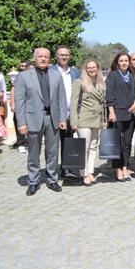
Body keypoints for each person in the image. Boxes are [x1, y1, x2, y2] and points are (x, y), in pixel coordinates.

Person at [15, 48, 67, 195]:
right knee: (33, 152)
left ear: (50, 58)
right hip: (32, 119)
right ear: (35, 58)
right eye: (40, 56)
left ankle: (52, 179)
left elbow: (62, 99)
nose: (43, 59)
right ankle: (33, 181)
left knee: (52, 152)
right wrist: (21, 123)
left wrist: (63, 118)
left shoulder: (56, 75)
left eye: (46, 56)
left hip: (53, 119)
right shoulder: (24, 76)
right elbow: (20, 102)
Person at [70, 60, 106, 187]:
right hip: (84, 119)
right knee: (84, 148)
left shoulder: (100, 82)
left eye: (94, 67)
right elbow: (73, 103)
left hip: (97, 119)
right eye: (89, 68)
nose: (92, 70)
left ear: (98, 68)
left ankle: (90, 171)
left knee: (93, 146)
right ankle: (84, 173)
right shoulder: (79, 82)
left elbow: (102, 103)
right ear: (85, 69)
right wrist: (74, 121)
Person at [106, 52, 135, 182]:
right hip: (117, 113)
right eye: (121, 61)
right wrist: (111, 112)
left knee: (127, 142)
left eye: (126, 60)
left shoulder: (131, 76)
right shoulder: (113, 75)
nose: (124, 63)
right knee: (117, 143)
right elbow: (109, 95)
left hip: (130, 114)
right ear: (117, 62)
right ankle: (117, 169)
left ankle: (125, 166)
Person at [50, 45, 80, 177]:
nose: (64, 57)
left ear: (70, 56)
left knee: (68, 141)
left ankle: (67, 166)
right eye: (61, 54)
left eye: (66, 54)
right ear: (56, 56)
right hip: (56, 113)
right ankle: (52, 169)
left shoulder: (75, 72)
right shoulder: (50, 71)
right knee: (53, 144)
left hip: (71, 113)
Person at [10, 60, 31, 153]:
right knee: (18, 122)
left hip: (30, 105)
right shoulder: (19, 76)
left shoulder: (32, 76)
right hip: (20, 104)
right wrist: (12, 103)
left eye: (23, 66)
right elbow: (13, 90)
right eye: (21, 66)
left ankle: (29, 142)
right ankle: (21, 143)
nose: (21, 67)